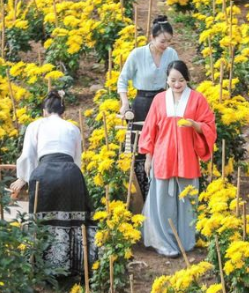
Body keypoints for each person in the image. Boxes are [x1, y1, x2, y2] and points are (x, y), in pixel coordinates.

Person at [10, 90, 98, 276]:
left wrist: (23, 178)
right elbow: (77, 159)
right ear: (63, 112)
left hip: (45, 174)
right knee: (73, 218)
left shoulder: (36, 126)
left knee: (43, 218)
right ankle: (76, 268)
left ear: (44, 111)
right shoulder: (72, 128)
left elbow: (28, 156)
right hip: (71, 173)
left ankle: (43, 268)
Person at [138, 60, 217, 257]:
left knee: (187, 200)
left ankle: (186, 241)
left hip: (187, 156)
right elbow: (150, 129)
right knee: (161, 201)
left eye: (181, 80)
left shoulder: (198, 99)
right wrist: (149, 157)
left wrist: (194, 125)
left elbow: (209, 125)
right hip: (163, 156)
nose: (177, 84)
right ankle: (164, 241)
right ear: (166, 80)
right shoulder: (158, 100)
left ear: (187, 79)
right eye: (172, 80)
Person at [117, 15, 179, 200]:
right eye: (162, 41)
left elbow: (177, 79)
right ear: (152, 37)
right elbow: (122, 80)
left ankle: (161, 190)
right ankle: (139, 191)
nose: (165, 44)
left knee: (163, 145)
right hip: (142, 103)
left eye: (169, 41)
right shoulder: (138, 54)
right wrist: (125, 103)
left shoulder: (172, 54)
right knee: (138, 148)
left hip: (163, 101)